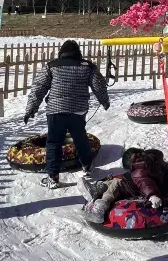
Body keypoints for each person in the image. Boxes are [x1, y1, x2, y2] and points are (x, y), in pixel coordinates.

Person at [24, 40, 111, 188]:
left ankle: (53, 177)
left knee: (54, 142)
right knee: (81, 139)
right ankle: (87, 167)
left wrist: (31, 108)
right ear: (78, 52)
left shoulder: (52, 66)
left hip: (56, 111)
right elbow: (99, 85)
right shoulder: (87, 66)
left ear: (61, 52)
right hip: (78, 110)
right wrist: (105, 101)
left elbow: (38, 87)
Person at [77, 147, 168, 223]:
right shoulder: (151, 163)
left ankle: (102, 205)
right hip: (126, 180)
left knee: (115, 186)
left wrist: (152, 195)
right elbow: (163, 168)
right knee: (114, 180)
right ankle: (98, 188)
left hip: (128, 187)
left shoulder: (139, 171)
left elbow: (145, 183)